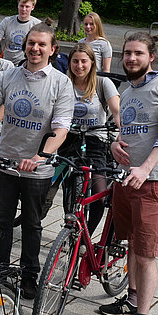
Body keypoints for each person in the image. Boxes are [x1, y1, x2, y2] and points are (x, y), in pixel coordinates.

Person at [0, 23, 74, 300]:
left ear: (52, 49)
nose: (35, 48)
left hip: (37, 169)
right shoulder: (10, 75)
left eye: (42, 44)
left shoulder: (60, 82)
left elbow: (61, 126)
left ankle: (30, 275)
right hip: (6, 161)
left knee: (32, 224)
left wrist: (40, 156)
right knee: (1, 220)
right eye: (31, 43)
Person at [98, 32, 158, 315]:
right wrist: (114, 147)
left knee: (146, 253)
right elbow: (123, 131)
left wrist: (145, 168)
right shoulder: (127, 89)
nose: (131, 58)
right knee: (132, 242)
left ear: (151, 57)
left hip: (154, 180)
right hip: (126, 179)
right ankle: (131, 298)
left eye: (138, 53)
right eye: (127, 53)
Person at [57, 42, 121, 232]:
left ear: (92, 62)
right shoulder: (64, 82)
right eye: (75, 61)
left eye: (84, 61)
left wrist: (122, 133)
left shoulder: (102, 83)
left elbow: (117, 111)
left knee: (99, 196)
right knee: (68, 190)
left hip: (96, 141)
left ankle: (86, 235)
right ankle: (70, 226)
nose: (79, 66)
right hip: (68, 139)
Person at [0, 0, 41, 64]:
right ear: (18, 5)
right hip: (7, 62)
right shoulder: (7, 21)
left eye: (27, 7)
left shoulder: (37, 24)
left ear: (33, 7)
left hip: (26, 63)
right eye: (21, 6)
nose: (23, 9)